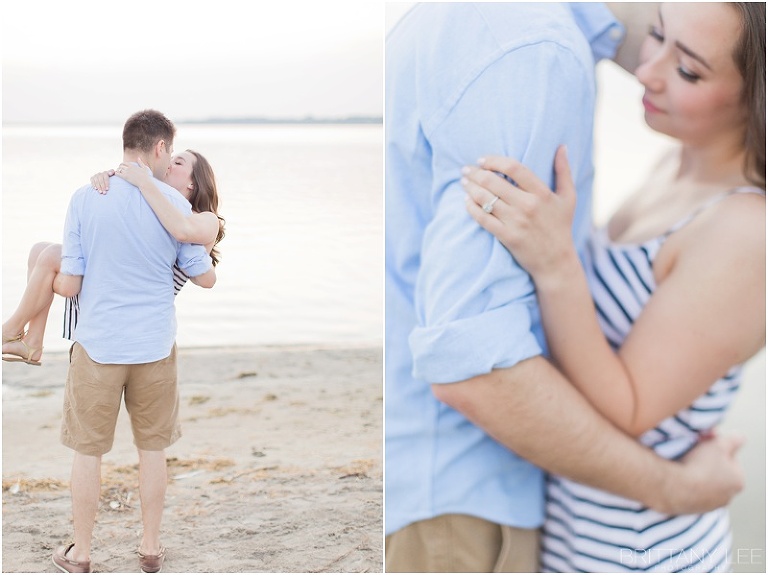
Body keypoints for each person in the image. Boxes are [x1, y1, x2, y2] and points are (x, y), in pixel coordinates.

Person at [385, 3, 745, 572]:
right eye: (656, 36)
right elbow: (476, 359)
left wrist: (556, 265)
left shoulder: (747, 228)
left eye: (690, 71)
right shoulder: (669, 170)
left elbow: (629, 407)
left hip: (641, 550)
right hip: (575, 523)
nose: (649, 71)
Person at [48, 109, 216, 574]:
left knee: (88, 453)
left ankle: (81, 554)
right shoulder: (177, 206)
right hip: (155, 346)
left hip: (98, 345)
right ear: (160, 148)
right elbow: (202, 273)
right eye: (172, 154)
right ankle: (150, 549)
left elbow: (73, 283)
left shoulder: (86, 196)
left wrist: (45, 272)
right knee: (152, 450)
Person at [1, 149, 225, 366]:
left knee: (49, 255)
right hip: (112, 279)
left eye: (178, 163)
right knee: (38, 250)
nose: (169, 164)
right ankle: (33, 341)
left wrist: (144, 182)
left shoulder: (203, 218)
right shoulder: (158, 203)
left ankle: (10, 330)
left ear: (193, 183)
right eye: (171, 159)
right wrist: (110, 181)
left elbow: (186, 237)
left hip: (129, 292)